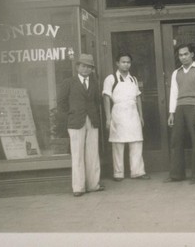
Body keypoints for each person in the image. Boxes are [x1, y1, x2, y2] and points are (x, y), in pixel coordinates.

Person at [61, 54, 105, 197]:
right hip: (75, 122)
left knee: (93, 153)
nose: (86, 69)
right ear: (77, 67)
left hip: (92, 120)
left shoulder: (94, 83)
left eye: (89, 67)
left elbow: (97, 101)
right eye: (83, 66)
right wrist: (72, 113)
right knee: (77, 154)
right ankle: (78, 187)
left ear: (92, 69)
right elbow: (62, 103)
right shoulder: (69, 82)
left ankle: (93, 185)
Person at [165, 43, 195, 184]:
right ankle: (176, 175)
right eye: (180, 55)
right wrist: (171, 113)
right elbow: (173, 94)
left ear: (192, 54)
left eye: (185, 54)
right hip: (179, 108)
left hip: (194, 107)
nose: (183, 57)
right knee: (176, 140)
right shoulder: (176, 73)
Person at [102, 53, 150, 182]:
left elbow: (138, 97)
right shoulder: (111, 78)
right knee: (118, 143)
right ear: (117, 63)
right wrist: (108, 118)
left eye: (128, 62)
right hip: (118, 112)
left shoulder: (133, 79)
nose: (126, 64)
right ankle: (118, 173)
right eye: (123, 62)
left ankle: (138, 171)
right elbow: (106, 98)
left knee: (136, 142)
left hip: (133, 113)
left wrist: (141, 115)